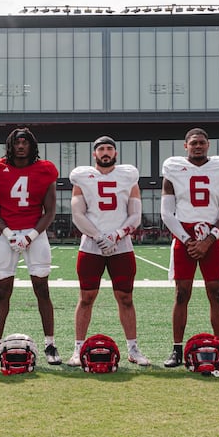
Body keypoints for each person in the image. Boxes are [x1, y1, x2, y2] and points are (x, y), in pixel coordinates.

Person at [66, 136, 150, 367]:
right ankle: (78, 349)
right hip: (91, 245)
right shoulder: (82, 177)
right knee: (86, 298)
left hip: (121, 245)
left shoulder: (128, 177)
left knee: (126, 298)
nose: (105, 152)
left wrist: (117, 234)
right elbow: (77, 213)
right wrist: (99, 236)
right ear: (94, 154)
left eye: (109, 149)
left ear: (115, 153)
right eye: (101, 149)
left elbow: (135, 214)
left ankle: (133, 349)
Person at [0, 128, 60, 365]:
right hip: (6, 233)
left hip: (35, 234)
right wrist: (8, 233)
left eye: (25, 142)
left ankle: (50, 344)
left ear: (32, 145)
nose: (21, 146)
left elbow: (50, 211)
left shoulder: (45, 169)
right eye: (17, 142)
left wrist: (31, 235)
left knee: (42, 289)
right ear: (10, 145)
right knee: (2, 291)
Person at [160, 128, 219, 368]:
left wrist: (208, 240)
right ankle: (176, 349)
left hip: (211, 238)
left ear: (209, 145)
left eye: (202, 143)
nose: (198, 146)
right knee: (182, 294)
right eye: (193, 143)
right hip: (185, 237)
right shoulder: (173, 167)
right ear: (185, 146)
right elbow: (166, 212)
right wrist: (187, 240)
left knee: (216, 293)